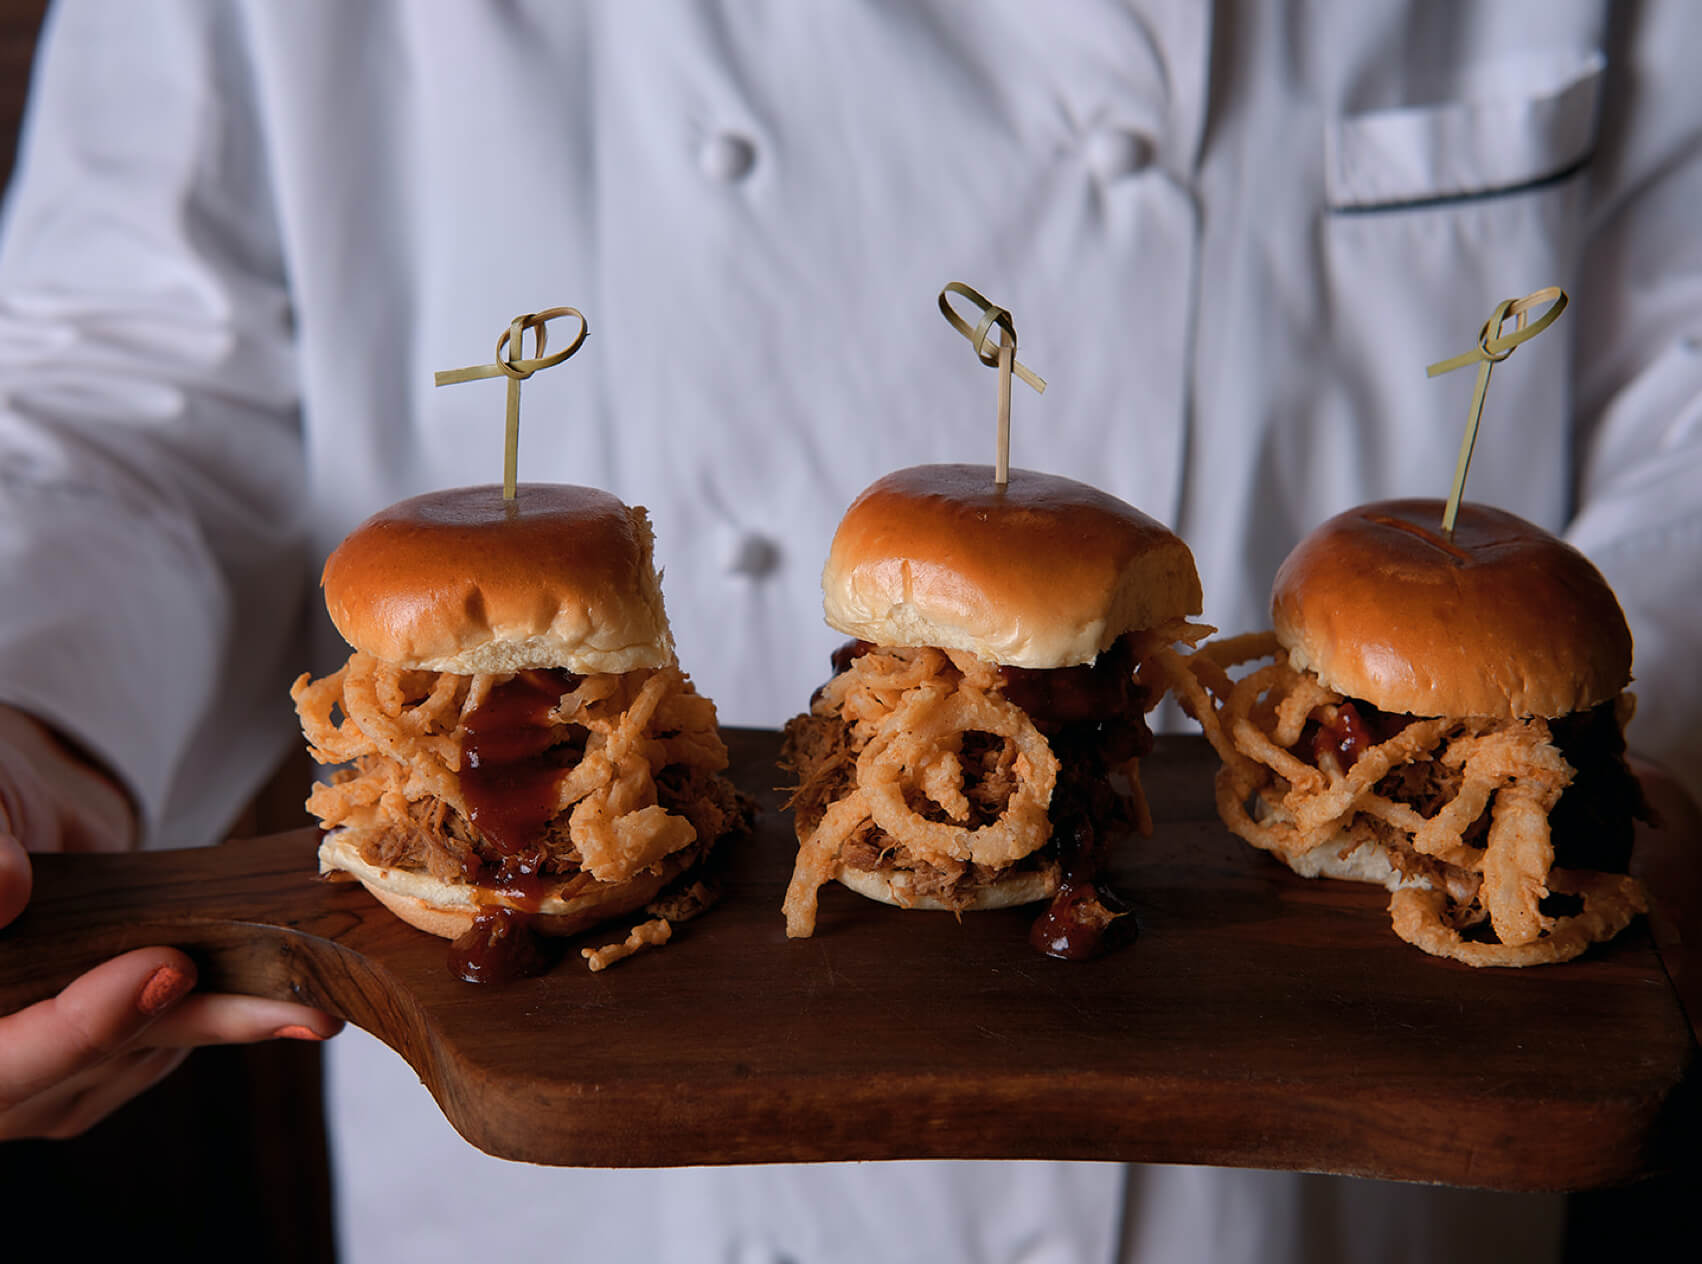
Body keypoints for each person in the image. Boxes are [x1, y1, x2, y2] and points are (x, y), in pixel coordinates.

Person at [2, 1, 1697, 1260]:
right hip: (554, 1171)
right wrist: (29, 731)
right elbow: (132, 391)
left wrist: (1630, 753)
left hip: (1322, 1163)